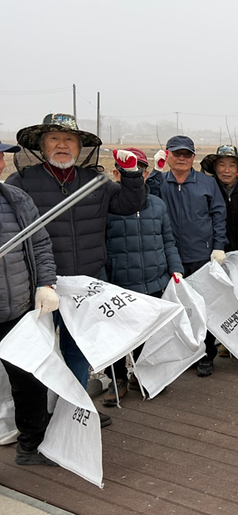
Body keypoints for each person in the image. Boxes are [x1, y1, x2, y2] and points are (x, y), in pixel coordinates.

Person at [7, 114, 145, 427]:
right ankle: (37, 419)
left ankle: (74, 413)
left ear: (80, 147)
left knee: (78, 351)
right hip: (39, 286)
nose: (62, 145)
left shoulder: (94, 181)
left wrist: (132, 174)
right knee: (37, 353)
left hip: (86, 283)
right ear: (42, 145)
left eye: (69, 139)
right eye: (54, 139)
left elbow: (128, 204)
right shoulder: (22, 182)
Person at [102, 148, 184, 405]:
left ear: (146, 173)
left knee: (149, 335)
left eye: (140, 170)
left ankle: (143, 374)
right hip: (120, 284)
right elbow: (99, 244)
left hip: (154, 281)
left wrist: (175, 268)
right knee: (117, 336)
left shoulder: (157, 204)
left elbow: (168, 240)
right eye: (126, 170)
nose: (135, 174)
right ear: (116, 173)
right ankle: (117, 378)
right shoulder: (107, 205)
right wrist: (103, 279)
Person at [148, 135, 227, 377]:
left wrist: (218, 246)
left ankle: (206, 354)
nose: (181, 158)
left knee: (203, 307)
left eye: (186, 154)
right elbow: (144, 197)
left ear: (193, 157)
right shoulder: (160, 182)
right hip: (169, 256)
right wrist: (155, 171)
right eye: (176, 153)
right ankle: (182, 354)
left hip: (201, 256)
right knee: (175, 308)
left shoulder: (207, 183)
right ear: (167, 155)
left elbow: (218, 215)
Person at [0, 141, 59, 466]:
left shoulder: (16, 199)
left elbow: (40, 244)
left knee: (28, 381)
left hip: (18, 311)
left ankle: (31, 444)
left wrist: (45, 283)